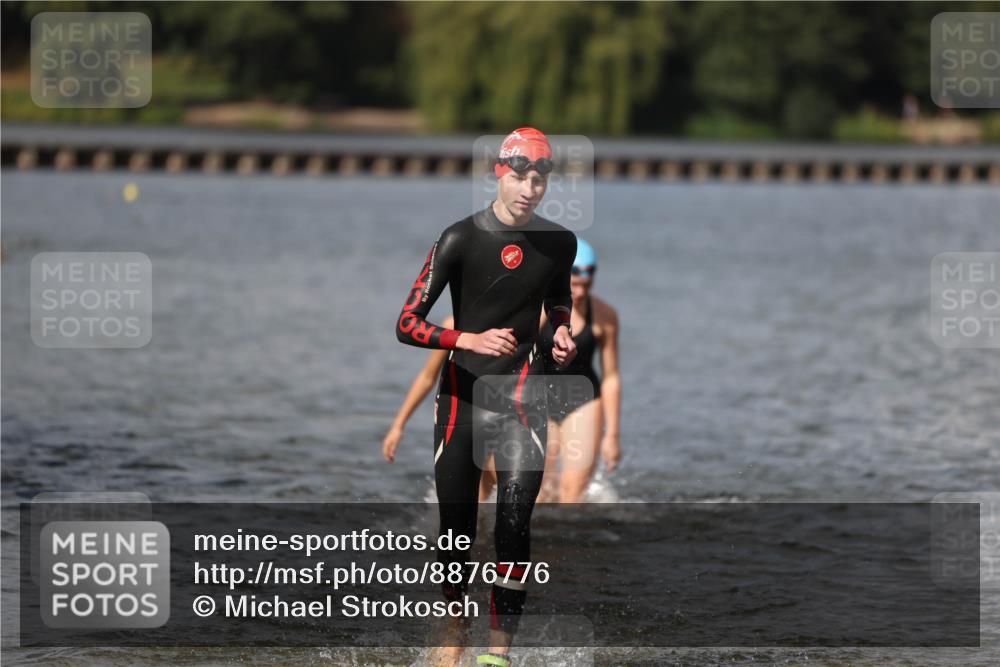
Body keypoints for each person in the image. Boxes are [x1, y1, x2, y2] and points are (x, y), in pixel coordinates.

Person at [394, 127, 577, 667]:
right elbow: (406, 323)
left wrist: (560, 335)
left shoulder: (558, 243)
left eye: (540, 179)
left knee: (515, 523)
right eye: (520, 176)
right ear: (498, 172)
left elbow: (558, 302)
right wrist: (463, 338)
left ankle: (498, 656)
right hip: (461, 399)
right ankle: (455, 631)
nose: (529, 189)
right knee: (456, 533)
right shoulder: (459, 239)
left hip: (523, 395)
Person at [537, 239, 621, 503]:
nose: (581, 293)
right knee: (540, 492)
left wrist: (613, 435)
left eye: (586, 285)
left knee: (572, 495)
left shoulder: (605, 316)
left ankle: (571, 542)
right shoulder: (539, 311)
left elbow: (611, 377)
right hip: (539, 401)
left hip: (584, 401)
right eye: (574, 285)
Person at [382, 316, 498, 502]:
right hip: (468, 416)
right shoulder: (452, 326)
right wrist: (398, 426)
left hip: (506, 415)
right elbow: (427, 377)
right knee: (478, 496)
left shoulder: (522, 319)